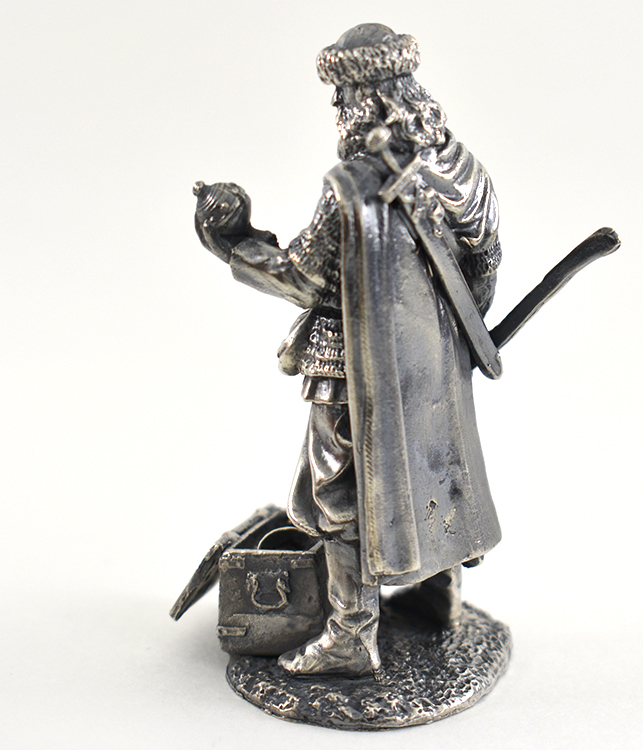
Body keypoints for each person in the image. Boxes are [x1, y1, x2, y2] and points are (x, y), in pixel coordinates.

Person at [195, 23, 502, 677]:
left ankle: (351, 635)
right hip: (434, 360)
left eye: (343, 96)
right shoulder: (459, 166)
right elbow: (486, 256)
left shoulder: (351, 186)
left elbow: (303, 277)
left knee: (338, 496)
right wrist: (451, 335)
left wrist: (235, 243)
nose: (337, 108)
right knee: (433, 468)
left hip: (349, 364)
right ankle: (438, 595)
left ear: (369, 99)